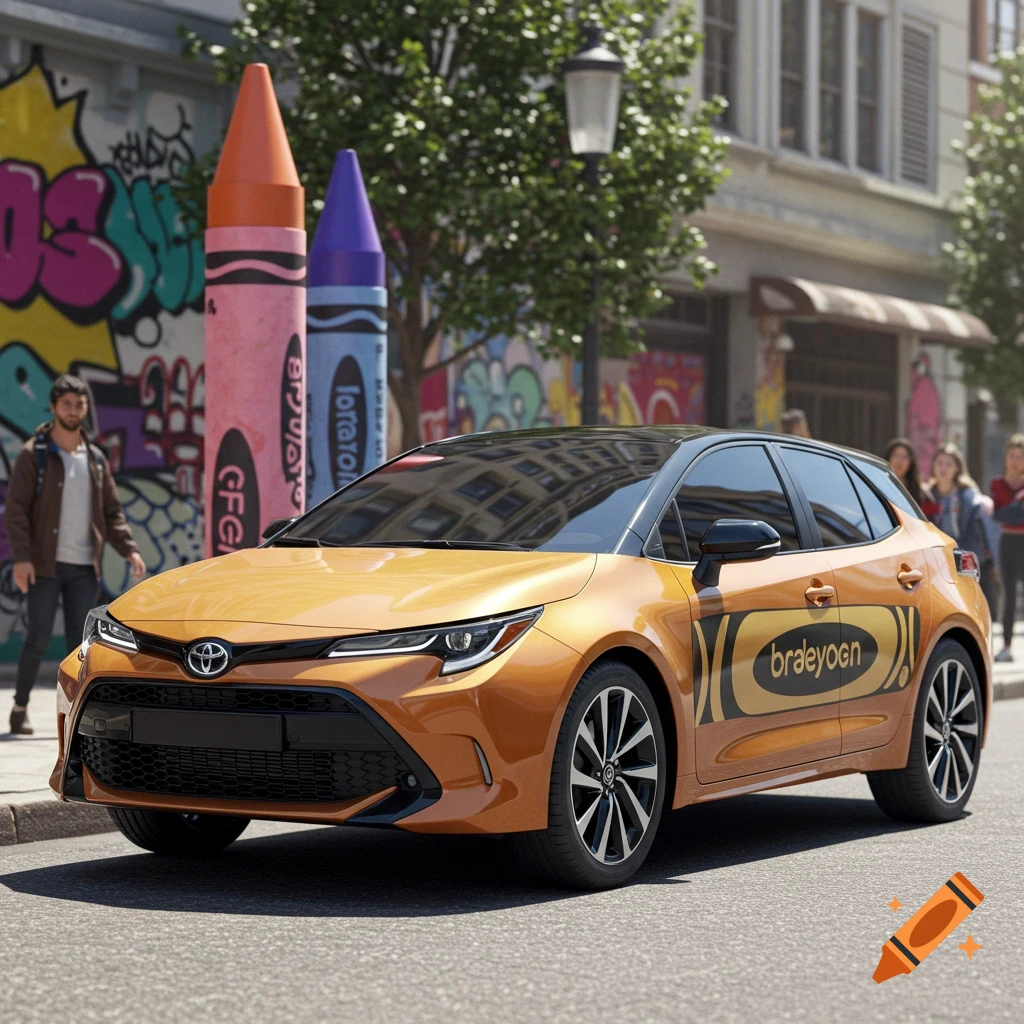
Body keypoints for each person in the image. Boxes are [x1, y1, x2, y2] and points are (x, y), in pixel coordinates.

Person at [4, 375, 145, 735]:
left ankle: (75, 717)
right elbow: (16, 509)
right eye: (66, 404)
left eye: (79, 404)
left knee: (81, 647)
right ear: (53, 407)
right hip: (45, 566)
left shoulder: (95, 459)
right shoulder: (33, 454)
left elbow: (112, 511)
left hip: (85, 567)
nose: (73, 410)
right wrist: (22, 557)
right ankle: (20, 707)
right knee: (37, 637)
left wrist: (128, 548)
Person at [929, 443, 1000, 621]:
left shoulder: (967, 495)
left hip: (963, 557)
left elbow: (976, 530)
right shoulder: (927, 494)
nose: (943, 468)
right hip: (934, 558)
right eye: (939, 463)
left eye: (948, 464)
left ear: (957, 468)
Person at [989, 434, 1024, 662]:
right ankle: (1007, 645)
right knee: (1008, 595)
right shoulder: (997, 484)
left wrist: (1011, 510)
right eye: (1012, 455)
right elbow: (998, 515)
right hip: (1008, 541)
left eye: (1020, 456)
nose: (1015, 460)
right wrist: (1018, 504)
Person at [885, 437, 938, 520]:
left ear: (911, 462)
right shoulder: (878, 487)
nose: (899, 461)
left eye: (904, 457)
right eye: (896, 455)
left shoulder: (922, 495)